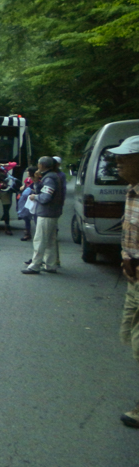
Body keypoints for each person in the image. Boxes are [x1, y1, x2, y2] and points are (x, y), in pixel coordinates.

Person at [109, 136, 139, 428]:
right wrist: (126, 256)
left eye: (126, 157)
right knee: (131, 336)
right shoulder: (132, 191)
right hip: (134, 280)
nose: (118, 162)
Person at [21, 156, 65, 274]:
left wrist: (35, 197)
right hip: (53, 212)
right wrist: (36, 181)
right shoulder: (52, 176)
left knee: (40, 240)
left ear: (42, 165)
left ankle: (35, 265)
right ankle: (50, 264)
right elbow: (44, 191)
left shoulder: (49, 178)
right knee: (50, 240)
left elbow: (45, 197)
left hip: (46, 213)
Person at [16, 166, 38, 241]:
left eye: (28, 171)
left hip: (34, 199)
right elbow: (25, 186)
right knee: (26, 217)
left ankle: (38, 235)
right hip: (27, 200)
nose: (27, 172)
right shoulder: (27, 179)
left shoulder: (37, 180)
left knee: (36, 217)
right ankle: (27, 233)